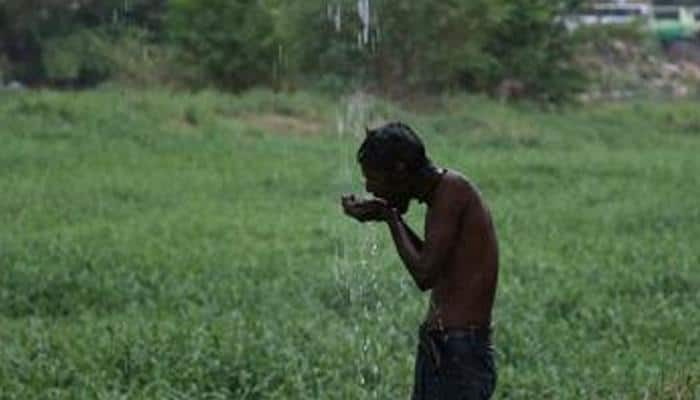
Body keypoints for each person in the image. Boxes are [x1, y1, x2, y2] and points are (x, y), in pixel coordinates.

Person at [341, 122, 499, 399]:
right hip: (445, 349)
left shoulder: (452, 190)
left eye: (374, 178)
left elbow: (424, 274)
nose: (369, 187)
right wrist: (389, 215)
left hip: (459, 353)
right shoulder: (441, 195)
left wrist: (389, 216)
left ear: (400, 170)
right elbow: (433, 263)